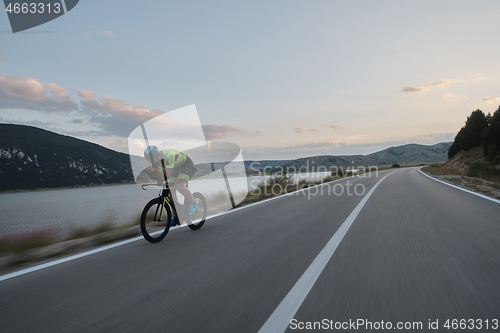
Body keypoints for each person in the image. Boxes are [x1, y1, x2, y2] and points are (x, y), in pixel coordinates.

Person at [142, 145, 198, 226]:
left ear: (157, 155)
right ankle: (176, 215)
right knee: (171, 191)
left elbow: (167, 173)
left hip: (185, 165)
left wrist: (154, 170)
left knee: (179, 186)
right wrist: (148, 171)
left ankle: (194, 204)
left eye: (151, 160)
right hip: (175, 168)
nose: (151, 162)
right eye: (148, 160)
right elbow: (156, 173)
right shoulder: (155, 160)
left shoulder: (169, 155)